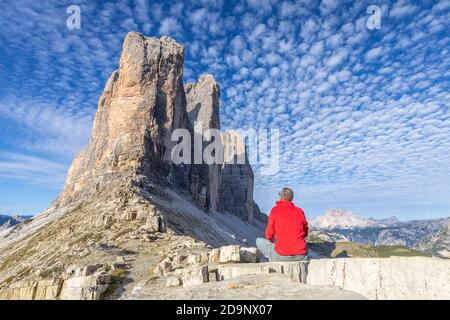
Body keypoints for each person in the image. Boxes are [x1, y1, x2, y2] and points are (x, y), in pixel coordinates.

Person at [256, 187, 309, 262]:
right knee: (305, 245)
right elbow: (305, 232)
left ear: (281, 197)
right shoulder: (299, 211)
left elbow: (269, 235)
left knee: (258, 241)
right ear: (291, 198)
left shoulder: (275, 210)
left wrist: (273, 241)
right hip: (300, 255)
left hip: (282, 255)